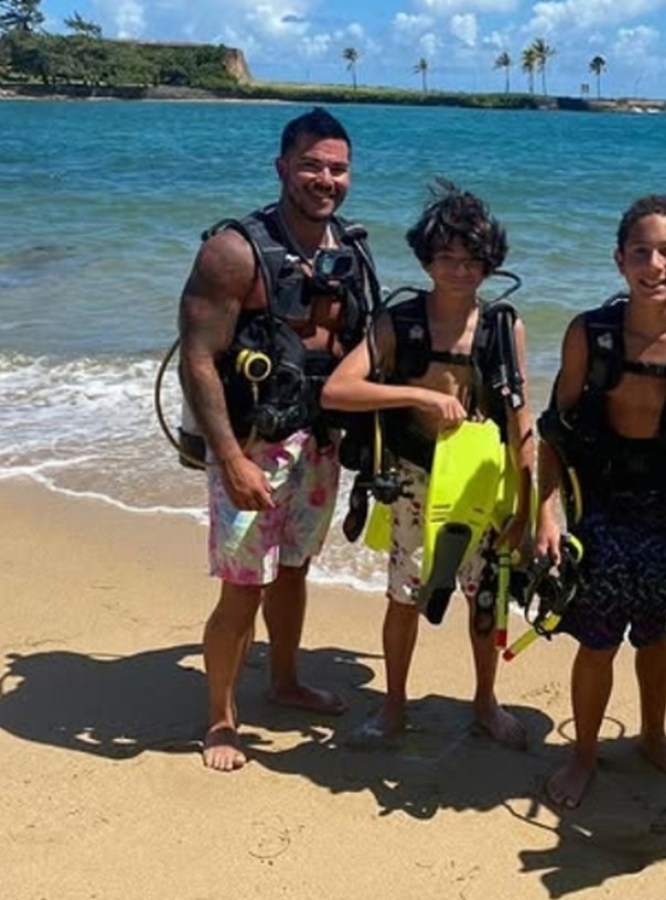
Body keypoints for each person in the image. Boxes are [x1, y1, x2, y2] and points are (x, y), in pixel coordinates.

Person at [178, 107, 378, 771]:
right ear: (283, 167)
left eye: (338, 167)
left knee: (294, 568)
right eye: (312, 165)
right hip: (253, 443)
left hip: (317, 443)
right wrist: (230, 459)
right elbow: (198, 356)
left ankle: (285, 680)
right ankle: (221, 720)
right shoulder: (235, 251)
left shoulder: (349, 248)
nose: (326, 178)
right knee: (243, 586)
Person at [534, 195, 666, 808]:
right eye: (640, 252)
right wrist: (546, 513)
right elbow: (554, 429)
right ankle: (583, 754)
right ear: (619, 261)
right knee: (596, 640)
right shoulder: (589, 333)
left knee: (654, 636)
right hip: (599, 509)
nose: (654, 264)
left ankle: (653, 736)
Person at [321, 181, 533, 750]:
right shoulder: (401, 322)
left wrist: (534, 506)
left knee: (483, 598)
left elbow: (521, 421)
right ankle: (393, 707)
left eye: (471, 261)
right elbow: (339, 390)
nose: (459, 271)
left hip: (482, 485)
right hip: (414, 480)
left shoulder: (501, 326)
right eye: (447, 259)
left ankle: (486, 703)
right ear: (426, 259)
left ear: (490, 264)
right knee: (404, 596)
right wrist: (417, 398)